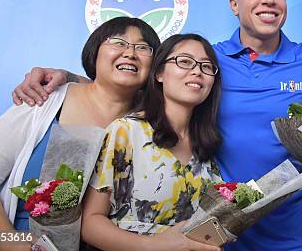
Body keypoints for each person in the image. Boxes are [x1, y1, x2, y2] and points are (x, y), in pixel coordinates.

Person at [11, 0, 302, 251]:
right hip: (222, 233)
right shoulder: (212, 58)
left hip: (294, 226)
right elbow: (150, 83)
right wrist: (70, 80)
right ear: (234, 5)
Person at [0, 17, 161, 251]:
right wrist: (10, 243)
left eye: (142, 47)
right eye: (118, 42)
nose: (130, 52)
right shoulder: (43, 99)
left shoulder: (151, 126)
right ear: (94, 52)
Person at [81, 33, 223, 251]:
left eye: (207, 67)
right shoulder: (127, 131)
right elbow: (90, 223)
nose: (197, 71)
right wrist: (152, 246)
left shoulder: (206, 145)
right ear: (159, 73)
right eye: (184, 62)